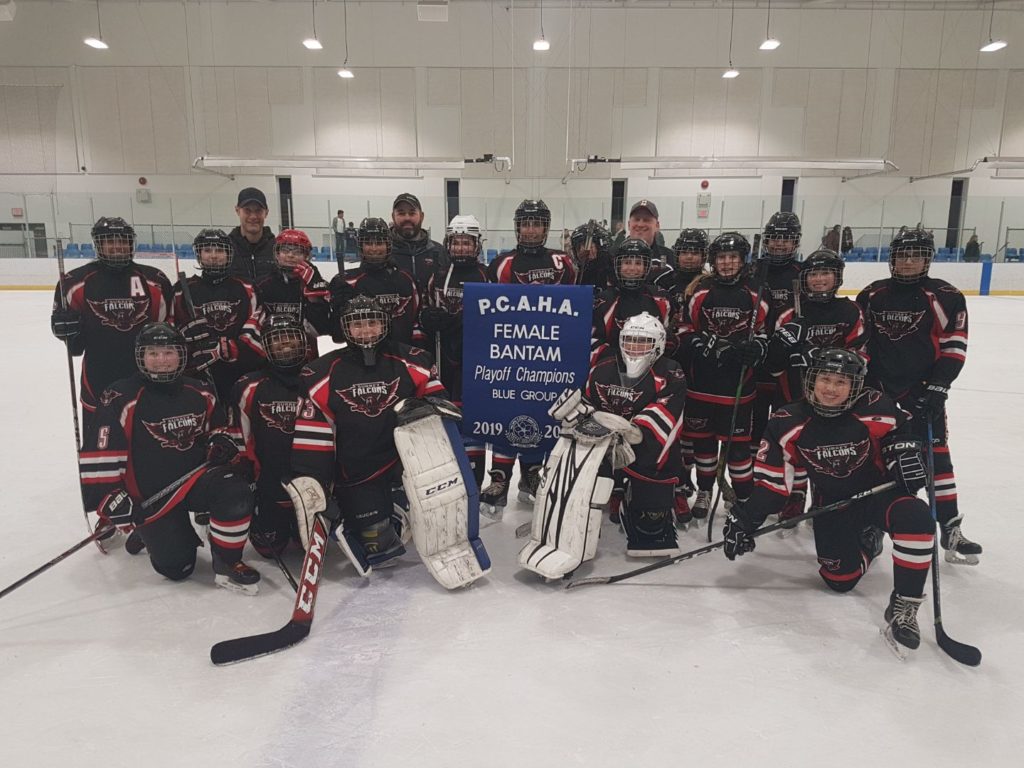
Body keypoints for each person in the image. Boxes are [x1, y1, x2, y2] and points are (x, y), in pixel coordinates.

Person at [722, 348, 936, 653]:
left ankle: (904, 605)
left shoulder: (878, 408)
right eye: (825, 379)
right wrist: (745, 519)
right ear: (811, 380)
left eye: (841, 382)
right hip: (832, 505)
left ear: (855, 386)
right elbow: (773, 486)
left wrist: (909, 459)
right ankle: (869, 544)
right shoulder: (787, 421)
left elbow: (906, 438)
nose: (831, 389)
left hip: (880, 496)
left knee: (917, 517)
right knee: (839, 580)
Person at [81, 321, 261, 593]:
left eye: (169, 353)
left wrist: (221, 441)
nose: (161, 361)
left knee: (235, 492)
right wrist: (111, 498)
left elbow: (219, 429)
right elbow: (100, 455)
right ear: (141, 356)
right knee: (177, 569)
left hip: (197, 480)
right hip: (152, 495)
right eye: (153, 354)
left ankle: (228, 562)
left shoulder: (200, 390)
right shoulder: (121, 396)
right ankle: (150, 533)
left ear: (181, 355)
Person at [289, 296, 448, 568]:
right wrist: (320, 486)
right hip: (358, 471)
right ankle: (386, 510)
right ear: (345, 329)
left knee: (437, 523)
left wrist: (426, 408)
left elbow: (440, 405)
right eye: (357, 325)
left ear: (384, 325)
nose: (366, 331)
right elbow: (314, 438)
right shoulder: (319, 373)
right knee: (380, 550)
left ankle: (399, 500)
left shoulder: (415, 360)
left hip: (408, 464)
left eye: (372, 323)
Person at [856, 227, 981, 565]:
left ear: (928, 258)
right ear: (892, 258)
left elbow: (955, 343)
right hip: (879, 392)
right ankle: (874, 524)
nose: (908, 262)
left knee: (936, 458)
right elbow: (860, 342)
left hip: (923, 391)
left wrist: (939, 385)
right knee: (879, 460)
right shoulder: (871, 294)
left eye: (916, 255)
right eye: (902, 255)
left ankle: (950, 526)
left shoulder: (946, 295)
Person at [482, 199, 578, 515]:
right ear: (518, 226)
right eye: (526, 222)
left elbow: (577, 305)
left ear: (546, 227)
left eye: (537, 223)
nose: (532, 229)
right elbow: (487, 312)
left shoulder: (564, 262)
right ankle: (499, 477)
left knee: (542, 412)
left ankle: (532, 474)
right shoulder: (502, 264)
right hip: (511, 354)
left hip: (551, 355)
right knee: (506, 410)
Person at [765, 249, 867, 524]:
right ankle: (796, 495)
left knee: (829, 445)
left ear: (837, 277)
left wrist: (820, 358)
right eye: (814, 274)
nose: (819, 279)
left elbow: (861, 356)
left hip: (834, 396)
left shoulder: (850, 311)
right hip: (793, 392)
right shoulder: (789, 314)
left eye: (826, 273)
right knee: (799, 444)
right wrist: (787, 348)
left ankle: (824, 494)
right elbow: (772, 365)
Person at [50, 216, 173, 443]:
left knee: (144, 435)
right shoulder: (74, 282)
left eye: (123, 240)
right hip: (99, 373)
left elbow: (168, 330)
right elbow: (75, 345)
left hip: (145, 373)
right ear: (98, 244)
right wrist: (63, 330)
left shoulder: (154, 280)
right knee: (100, 434)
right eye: (109, 240)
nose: (117, 246)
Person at [674, 232, 768, 523]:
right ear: (713, 261)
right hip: (702, 385)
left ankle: (743, 498)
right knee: (702, 443)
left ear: (742, 261)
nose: (727, 263)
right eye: (722, 258)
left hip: (738, 386)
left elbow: (765, 333)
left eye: (733, 258)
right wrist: (699, 343)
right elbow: (684, 328)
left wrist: (757, 349)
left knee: (738, 447)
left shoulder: (755, 293)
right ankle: (704, 490)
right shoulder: (700, 291)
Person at [587, 312, 687, 555]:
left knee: (660, 458)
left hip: (646, 444)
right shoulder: (602, 368)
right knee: (580, 457)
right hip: (606, 440)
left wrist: (636, 430)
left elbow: (668, 408)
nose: (635, 347)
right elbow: (588, 402)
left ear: (659, 344)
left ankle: (651, 511)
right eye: (630, 340)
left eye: (643, 342)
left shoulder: (670, 371)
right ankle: (582, 510)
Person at [226, 314, 308, 559]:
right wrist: (247, 479)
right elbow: (239, 438)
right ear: (266, 346)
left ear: (303, 341)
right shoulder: (248, 386)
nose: (285, 344)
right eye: (277, 340)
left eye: (292, 337)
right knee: (268, 549)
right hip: (269, 481)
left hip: (312, 480)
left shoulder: (317, 378)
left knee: (307, 544)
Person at [420, 215, 491, 488]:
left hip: (475, 357)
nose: (461, 248)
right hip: (443, 353)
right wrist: (428, 318)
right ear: (448, 244)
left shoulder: (487, 276)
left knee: (472, 414)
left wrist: (467, 320)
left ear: (477, 245)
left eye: (467, 243)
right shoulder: (437, 276)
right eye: (456, 242)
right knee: (442, 409)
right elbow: (423, 309)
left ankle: (474, 476)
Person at [652, 228, 710, 515]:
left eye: (695, 252)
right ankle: (680, 479)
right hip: (663, 359)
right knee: (670, 423)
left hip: (697, 363)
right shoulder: (662, 280)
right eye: (685, 251)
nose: (689, 257)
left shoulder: (710, 283)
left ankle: (698, 484)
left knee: (695, 428)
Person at [173, 229, 263, 403]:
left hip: (240, 373)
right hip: (197, 375)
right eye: (207, 250)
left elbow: (257, 327)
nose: (213, 256)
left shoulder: (247, 288)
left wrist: (228, 348)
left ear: (229, 254)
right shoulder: (181, 290)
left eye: (219, 250)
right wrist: (185, 342)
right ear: (199, 254)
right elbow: (173, 330)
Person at [751, 212, 804, 458]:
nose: (779, 243)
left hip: (788, 362)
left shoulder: (803, 273)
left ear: (796, 242)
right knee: (754, 421)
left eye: (786, 238)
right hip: (756, 357)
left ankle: (784, 475)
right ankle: (751, 484)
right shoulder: (754, 270)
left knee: (787, 418)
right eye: (774, 237)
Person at [329, 217, 421, 347]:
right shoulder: (346, 281)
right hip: (362, 359)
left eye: (379, 243)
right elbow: (337, 336)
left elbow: (416, 321)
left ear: (388, 245)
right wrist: (339, 310)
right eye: (368, 243)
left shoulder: (406, 278)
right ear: (360, 245)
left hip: (401, 357)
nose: (374, 248)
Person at [254, 229, 331, 358]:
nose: (290, 255)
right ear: (277, 254)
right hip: (267, 353)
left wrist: (314, 295)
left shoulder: (318, 284)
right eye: (285, 250)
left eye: (297, 251)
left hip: (306, 354)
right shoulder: (260, 285)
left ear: (306, 256)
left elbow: (321, 330)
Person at [591, 237, 672, 354]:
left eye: (638, 263)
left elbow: (672, 335)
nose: (632, 268)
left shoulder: (661, 298)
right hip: (613, 365)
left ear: (646, 267)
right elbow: (593, 340)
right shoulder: (603, 300)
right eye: (627, 262)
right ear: (618, 265)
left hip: (652, 365)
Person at [389, 193, 450, 295]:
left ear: (421, 216)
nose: (407, 218)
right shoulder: (383, 253)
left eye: (412, 213)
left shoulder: (439, 251)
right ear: (393, 216)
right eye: (401, 213)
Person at [228, 187, 277, 281]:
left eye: (258, 210)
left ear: (266, 213)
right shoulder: (227, 248)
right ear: (237, 211)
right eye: (247, 210)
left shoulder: (277, 248)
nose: (253, 216)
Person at [620, 200, 675, 270]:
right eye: (636, 219)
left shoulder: (670, 258)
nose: (640, 224)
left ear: (657, 226)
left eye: (646, 220)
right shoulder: (614, 255)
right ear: (628, 224)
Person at [571, 220, 615, 291]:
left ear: (599, 247)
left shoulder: (611, 271)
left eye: (590, 246)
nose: (583, 250)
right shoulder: (576, 274)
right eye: (578, 247)